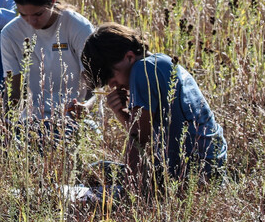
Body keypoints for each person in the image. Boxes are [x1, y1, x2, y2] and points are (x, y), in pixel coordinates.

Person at [81, 23, 227, 193]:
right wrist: (120, 112)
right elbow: (145, 135)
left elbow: (138, 140)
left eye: (111, 76)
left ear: (129, 57)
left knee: (91, 187)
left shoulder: (143, 70)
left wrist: (132, 196)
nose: (113, 85)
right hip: (206, 170)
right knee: (97, 171)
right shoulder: (159, 62)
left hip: (191, 176)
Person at [0, 0, 97, 138]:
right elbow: (12, 91)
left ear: (53, 0)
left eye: (38, 14)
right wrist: (6, 123)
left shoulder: (78, 27)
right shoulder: (9, 33)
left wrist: (85, 107)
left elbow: (93, 87)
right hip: (30, 122)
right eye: (23, 15)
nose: (31, 21)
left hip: (72, 122)